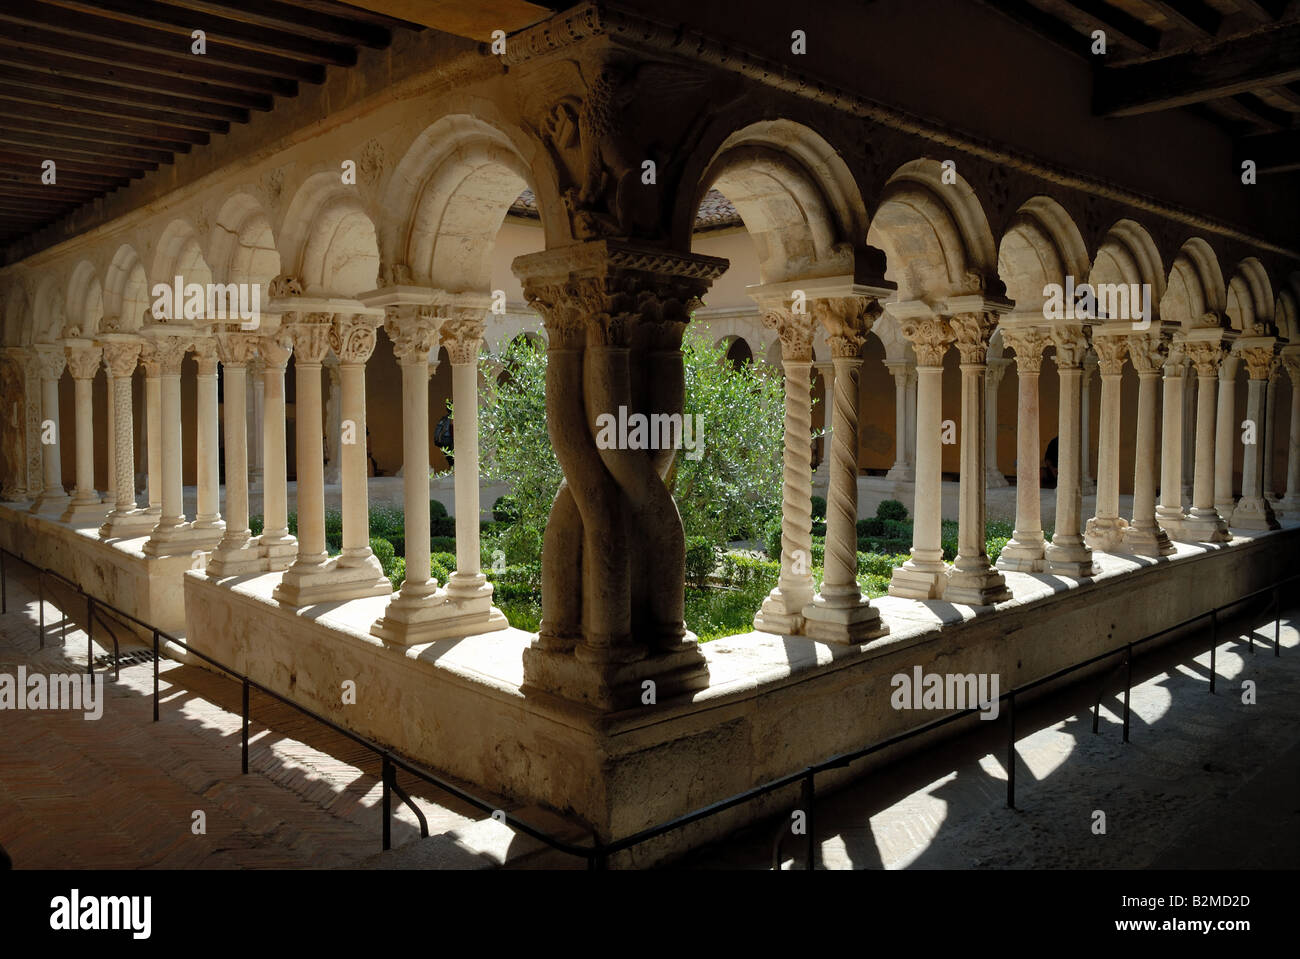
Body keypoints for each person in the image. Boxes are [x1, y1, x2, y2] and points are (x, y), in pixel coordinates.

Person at [434, 400, 454, 469]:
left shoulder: (445, 419)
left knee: (451, 457)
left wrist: (437, 439)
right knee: (450, 457)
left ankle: (452, 468)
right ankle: (452, 469)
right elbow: (441, 429)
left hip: (447, 439)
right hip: (447, 438)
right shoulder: (446, 419)